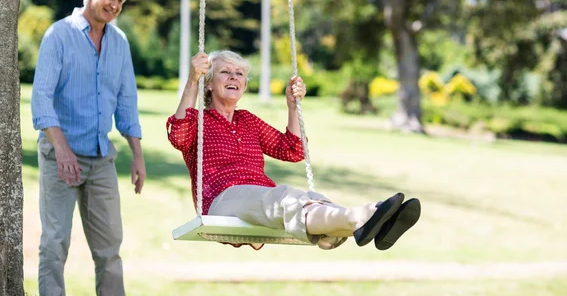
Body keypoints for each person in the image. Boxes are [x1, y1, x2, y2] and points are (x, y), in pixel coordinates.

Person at [167, 50, 420, 251]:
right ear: (209, 83)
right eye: (225, 72)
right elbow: (178, 136)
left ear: (244, 85)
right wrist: (192, 80)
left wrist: (292, 106)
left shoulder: (248, 121)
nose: (234, 77)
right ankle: (364, 216)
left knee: (304, 197)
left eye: (240, 73)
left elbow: (293, 149)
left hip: (261, 198)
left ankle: (372, 222)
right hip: (222, 200)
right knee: (285, 197)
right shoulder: (198, 121)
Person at [31, 0, 146, 296]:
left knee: (110, 248)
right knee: (55, 243)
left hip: (100, 159)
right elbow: (41, 99)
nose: (115, 5)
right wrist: (62, 150)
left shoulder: (120, 43)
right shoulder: (58, 35)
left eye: (121, 0)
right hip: (59, 157)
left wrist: (137, 154)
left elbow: (127, 101)